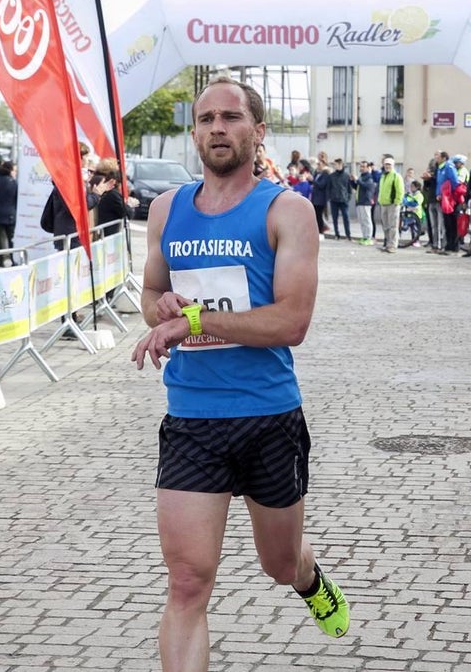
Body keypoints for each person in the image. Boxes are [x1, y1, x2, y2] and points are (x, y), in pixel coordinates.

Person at [130, 76, 350, 671]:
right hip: (192, 419)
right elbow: (152, 293)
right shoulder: (165, 209)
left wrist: (197, 317)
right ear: (195, 132)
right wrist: (164, 311)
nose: (217, 128)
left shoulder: (287, 210)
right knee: (186, 584)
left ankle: (308, 577)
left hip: (268, 416)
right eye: (206, 119)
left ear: (257, 131)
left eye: (231, 117)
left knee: (278, 565)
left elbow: (290, 321)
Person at [95, 168, 136, 237]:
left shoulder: (109, 193)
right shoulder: (113, 195)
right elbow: (128, 213)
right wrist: (130, 204)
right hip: (108, 233)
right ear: (117, 182)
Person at [377, 154, 404, 253]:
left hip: (393, 204)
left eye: (389, 165)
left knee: (393, 226)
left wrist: (397, 202)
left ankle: (393, 245)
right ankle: (388, 243)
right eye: (386, 164)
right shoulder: (383, 176)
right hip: (383, 204)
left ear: (393, 165)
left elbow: (400, 190)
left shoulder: (396, 176)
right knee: (386, 226)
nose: (387, 166)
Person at [326, 158, 353, 240]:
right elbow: (328, 188)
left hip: (344, 200)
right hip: (334, 200)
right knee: (335, 218)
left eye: (336, 164)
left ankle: (348, 235)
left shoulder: (346, 175)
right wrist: (330, 197)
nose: (335, 166)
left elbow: (349, 188)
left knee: (346, 217)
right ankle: (337, 234)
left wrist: (348, 197)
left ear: (340, 165)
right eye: (334, 165)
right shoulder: (331, 176)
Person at [352, 161, 376, 245]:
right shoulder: (362, 177)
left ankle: (369, 237)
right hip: (359, 201)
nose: (361, 168)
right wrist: (352, 182)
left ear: (367, 168)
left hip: (366, 202)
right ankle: (364, 236)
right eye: (360, 166)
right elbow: (358, 187)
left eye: (363, 167)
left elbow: (366, 186)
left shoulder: (369, 177)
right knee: (362, 221)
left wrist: (357, 180)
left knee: (367, 220)